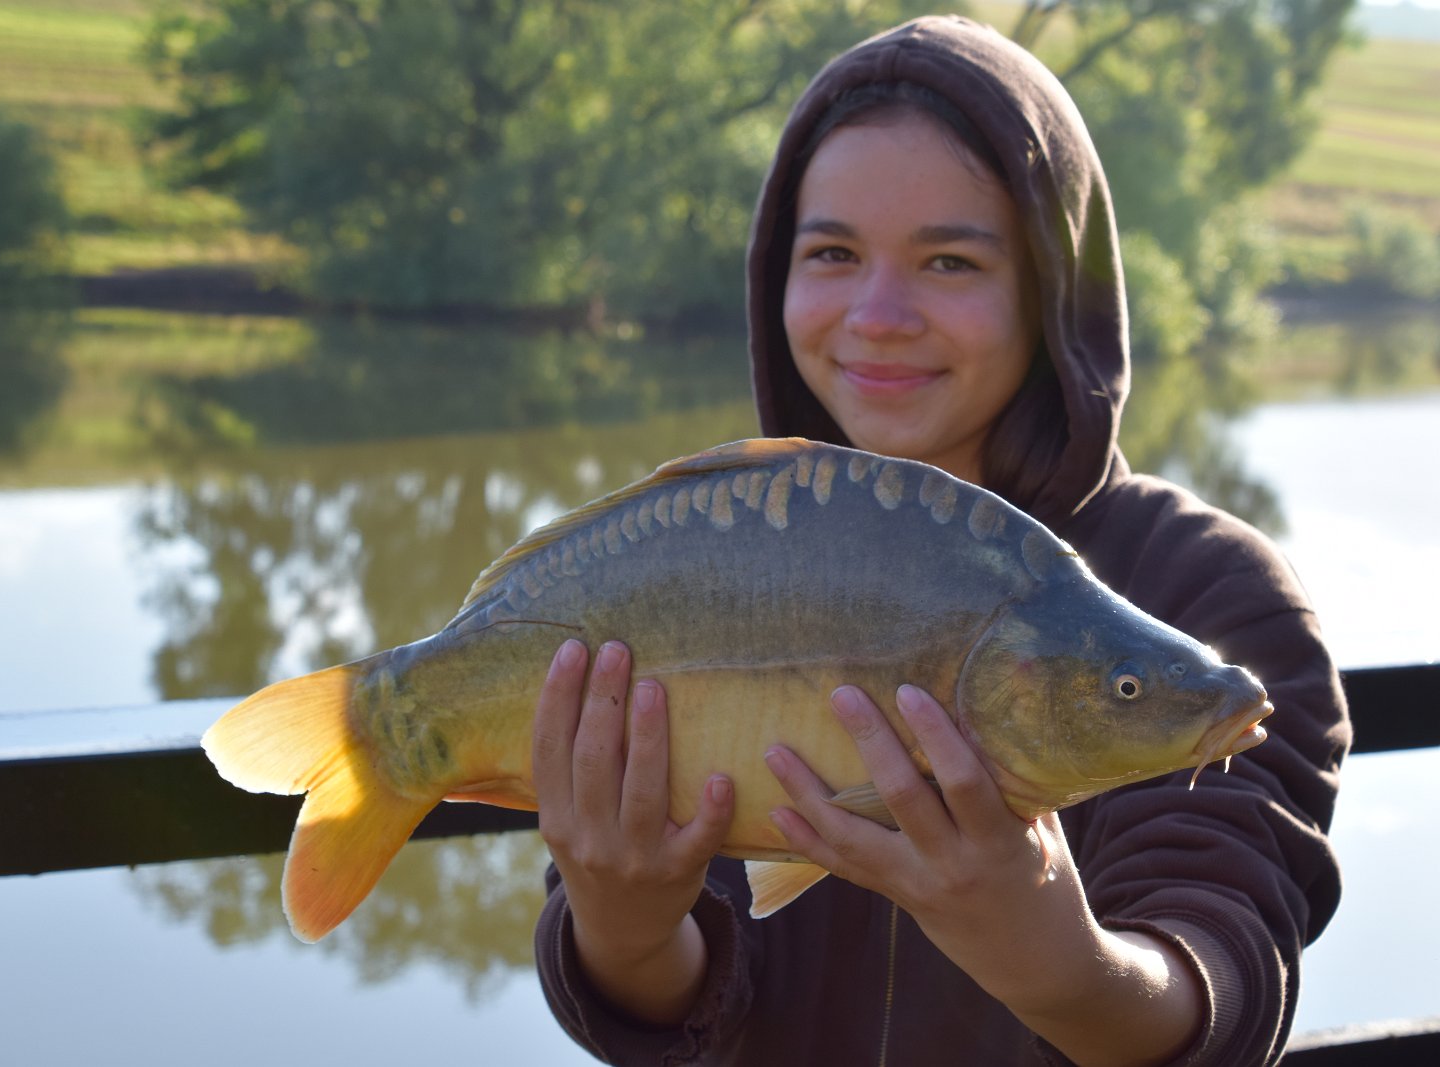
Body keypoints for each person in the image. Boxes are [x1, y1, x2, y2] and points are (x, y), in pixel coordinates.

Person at [531, 15, 1348, 1066]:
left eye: (950, 261)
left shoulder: (1208, 592)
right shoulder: (704, 549)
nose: (877, 314)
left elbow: (1226, 983)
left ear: (1053, 291)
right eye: (832, 253)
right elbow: (669, 1001)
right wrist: (623, 927)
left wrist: (1060, 962)